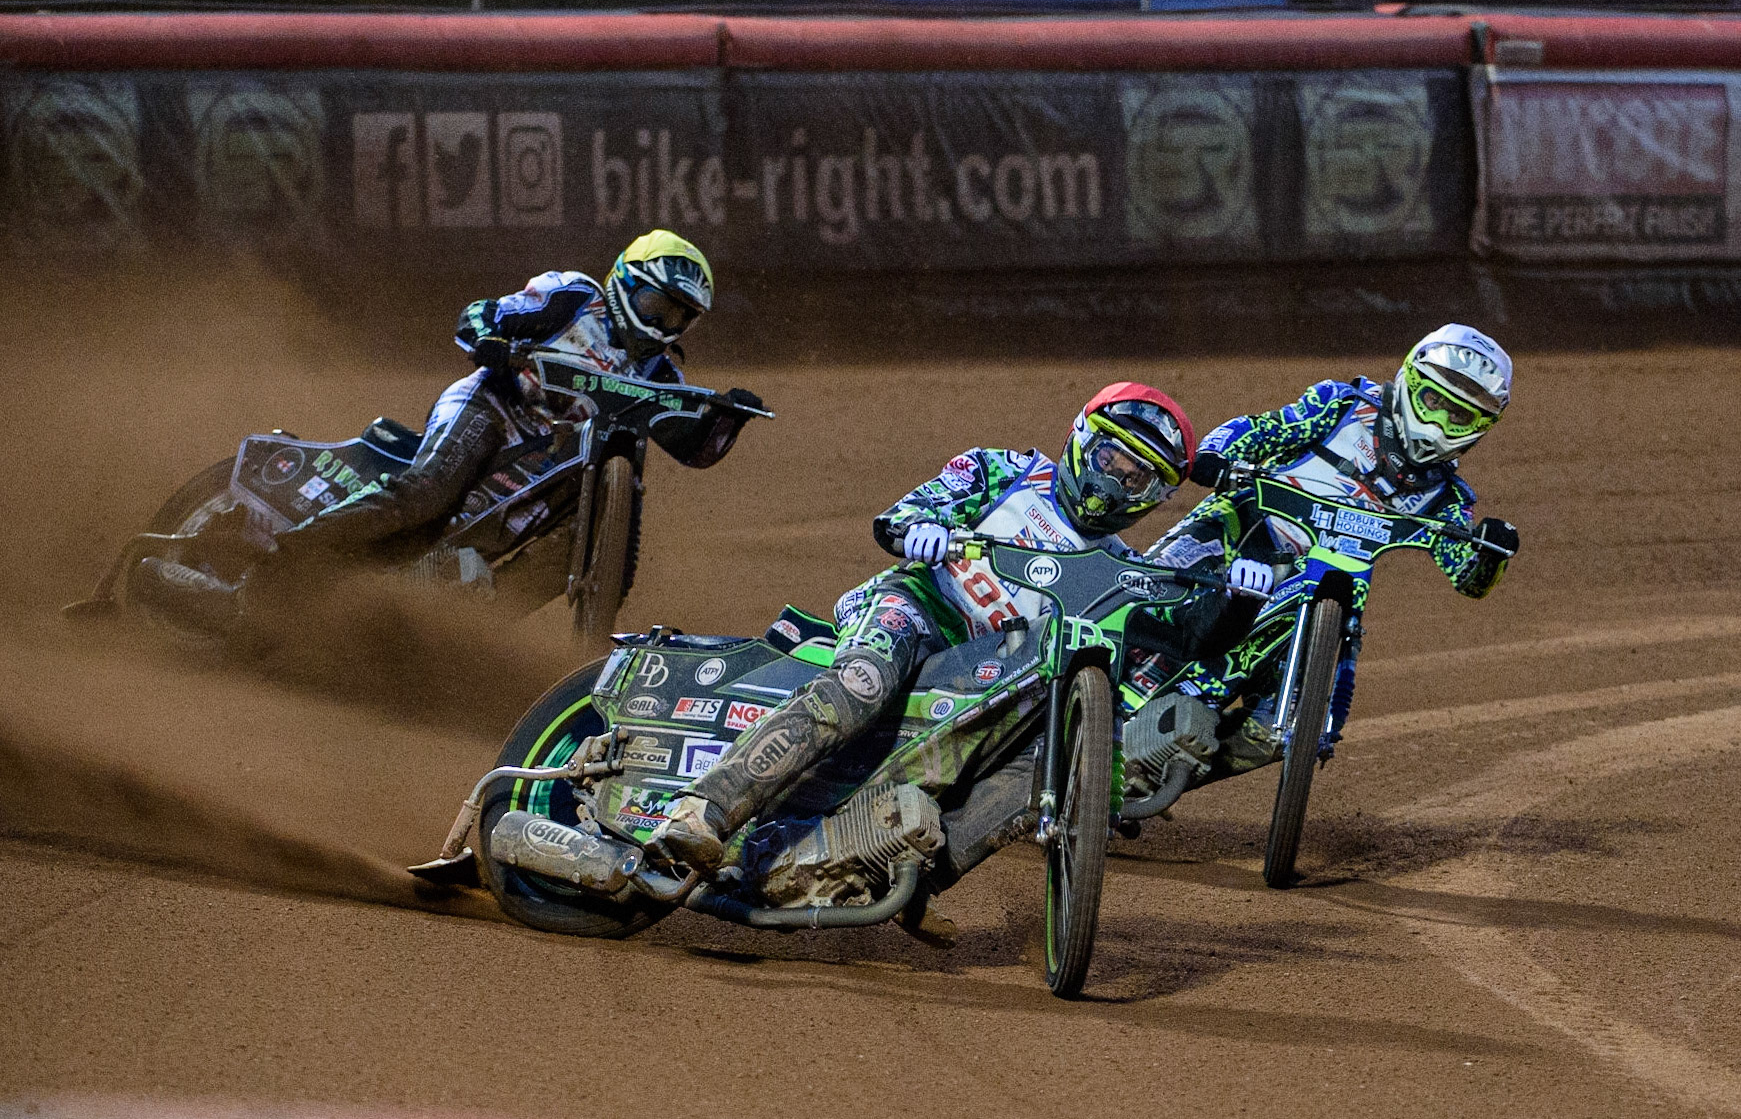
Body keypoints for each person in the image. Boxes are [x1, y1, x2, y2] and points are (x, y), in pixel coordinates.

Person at [645, 382, 1203, 881]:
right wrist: (923, 527)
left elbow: (1168, 637)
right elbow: (911, 509)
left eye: (1139, 478)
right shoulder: (1005, 470)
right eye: (1111, 458)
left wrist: (1233, 585)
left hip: (987, 676)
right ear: (1083, 438)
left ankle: (909, 878)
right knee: (862, 683)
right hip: (919, 607)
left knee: (1038, 763)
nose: (1116, 482)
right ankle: (704, 809)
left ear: (1154, 498)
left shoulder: (1119, 569)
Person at [132, 230, 728, 619]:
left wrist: (724, 419)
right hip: (492, 407)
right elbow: (480, 315)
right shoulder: (574, 297)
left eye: (680, 315)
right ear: (626, 281)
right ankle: (281, 560)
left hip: (549, 469)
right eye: (659, 304)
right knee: (426, 497)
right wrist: (493, 344)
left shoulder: (661, 372)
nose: (666, 322)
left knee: (554, 560)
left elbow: (693, 446)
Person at [1123, 323, 1520, 798]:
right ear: (1410, 382)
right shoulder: (1343, 405)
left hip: (1318, 599)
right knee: (1140, 600)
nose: (1439, 422)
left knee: (1293, 728)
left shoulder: (1447, 497)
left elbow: (1468, 576)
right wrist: (1218, 456)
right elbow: (1259, 429)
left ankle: (1158, 769)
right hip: (1239, 533)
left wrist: (1491, 551)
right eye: (1434, 401)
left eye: (1459, 414)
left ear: (1479, 428)